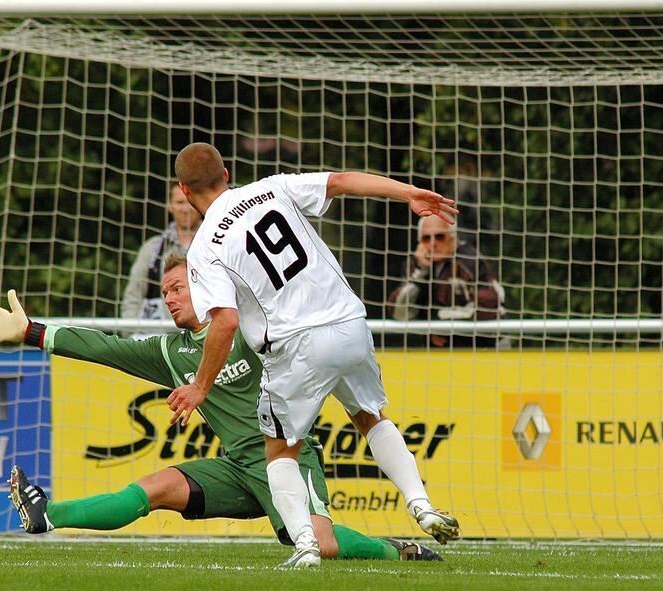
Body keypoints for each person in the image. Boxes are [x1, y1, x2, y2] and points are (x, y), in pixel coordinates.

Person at [0, 256, 441, 562]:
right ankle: (48, 512)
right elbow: (105, 347)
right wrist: (33, 331)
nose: (170, 298)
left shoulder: (251, 330)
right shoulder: (171, 352)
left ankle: (397, 551)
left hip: (288, 458)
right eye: (165, 293)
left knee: (323, 543)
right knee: (155, 488)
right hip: (238, 467)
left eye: (178, 288)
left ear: (203, 287)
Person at [165, 143, 461, 569]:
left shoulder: (205, 247)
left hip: (295, 345)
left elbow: (225, 322)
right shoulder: (273, 189)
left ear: (184, 191)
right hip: (348, 323)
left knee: (280, 450)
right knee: (370, 416)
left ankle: (306, 544)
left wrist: (200, 386)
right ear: (227, 174)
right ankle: (422, 505)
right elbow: (340, 182)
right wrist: (408, 192)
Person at [387, 216, 505, 348]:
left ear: (452, 239)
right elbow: (397, 312)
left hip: (485, 348)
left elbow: (492, 307)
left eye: (440, 237)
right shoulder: (416, 264)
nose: (433, 243)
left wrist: (439, 322)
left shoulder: (470, 261)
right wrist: (420, 272)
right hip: (438, 352)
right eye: (426, 238)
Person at [121, 182, 202, 326]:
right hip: (158, 337)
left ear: (198, 203)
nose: (185, 209)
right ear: (169, 206)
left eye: (189, 202)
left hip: (205, 335)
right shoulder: (152, 249)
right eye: (179, 202)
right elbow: (133, 296)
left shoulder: (216, 244)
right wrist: (131, 333)